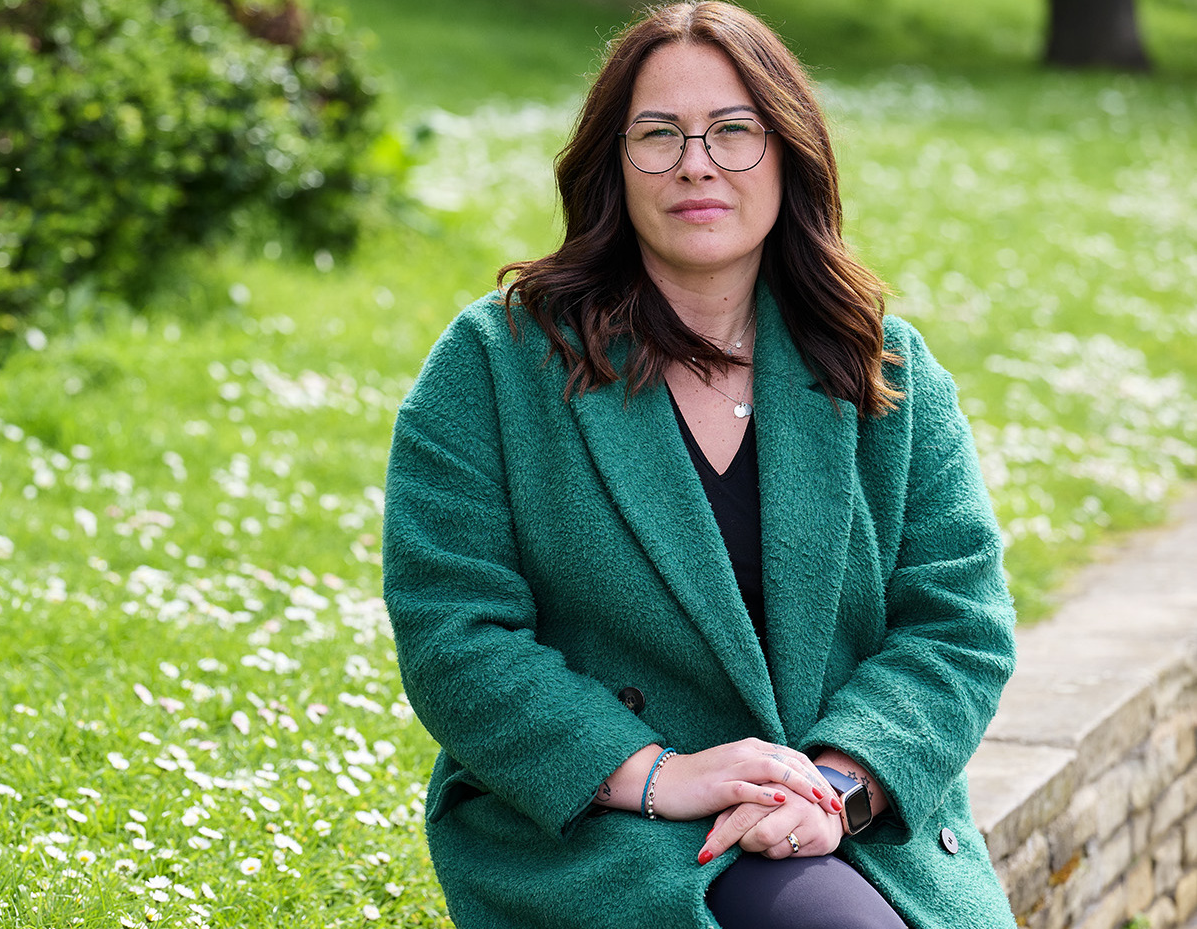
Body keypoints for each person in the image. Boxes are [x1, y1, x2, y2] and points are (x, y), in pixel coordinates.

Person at [379, 3, 1019, 928]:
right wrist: (659, 775)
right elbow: (453, 630)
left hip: (840, 817)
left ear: (789, 153)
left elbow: (957, 623)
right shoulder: (498, 362)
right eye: (657, 135)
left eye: (733, 131)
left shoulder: (881, 364)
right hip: (602, 824)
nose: (695, 163)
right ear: (612, 164)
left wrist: (837, 785)